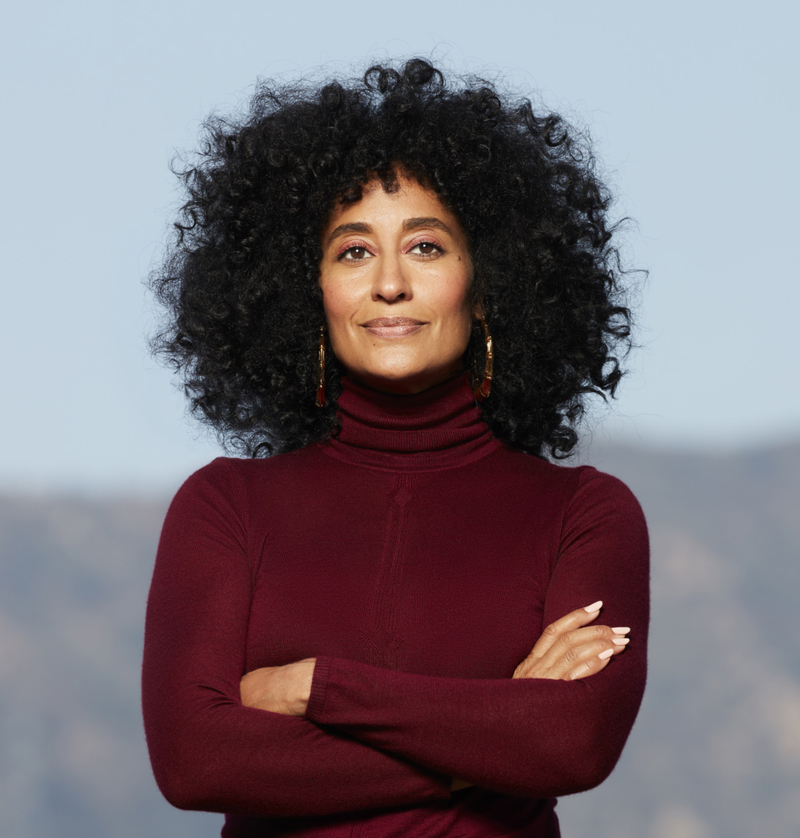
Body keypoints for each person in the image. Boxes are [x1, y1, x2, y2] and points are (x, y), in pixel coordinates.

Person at [142, 58, 649, 838]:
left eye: (425, 247)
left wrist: (315, 688)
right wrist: (484, 741)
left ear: (485, 285)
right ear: (306, 288)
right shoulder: (224, 507)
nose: (388, 285)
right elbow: (193, 761)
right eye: (352, 252)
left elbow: (569, 743)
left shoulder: (584, 513)